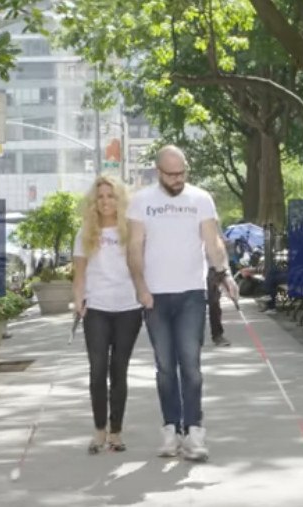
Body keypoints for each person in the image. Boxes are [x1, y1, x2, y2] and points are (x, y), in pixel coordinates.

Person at [126, 145, 238, 462]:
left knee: (191, 366)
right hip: (155, 295)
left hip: (191, 292)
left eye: (182, 173)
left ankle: (195, 431)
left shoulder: (200, 198)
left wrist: (224, 273)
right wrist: (140, 287)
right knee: (164, 367)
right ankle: (171, 429)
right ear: (158, 171)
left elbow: (213, 241)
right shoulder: (142, 201)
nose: (177, 179)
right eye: (171, 174)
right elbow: (134, 247)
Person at [72, 174, 144, 455]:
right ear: (94, 201)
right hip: (97, 308)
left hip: (128, 308)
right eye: (100, 197)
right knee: (97, 370)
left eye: (111, 196)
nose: (105, 202)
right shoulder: (86, 233)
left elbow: (142, 268)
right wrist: (78, 301)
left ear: (120, 199)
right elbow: (78, 275)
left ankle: (116, 432)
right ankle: (99, 430)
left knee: (119, 371)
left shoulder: (131, 231)